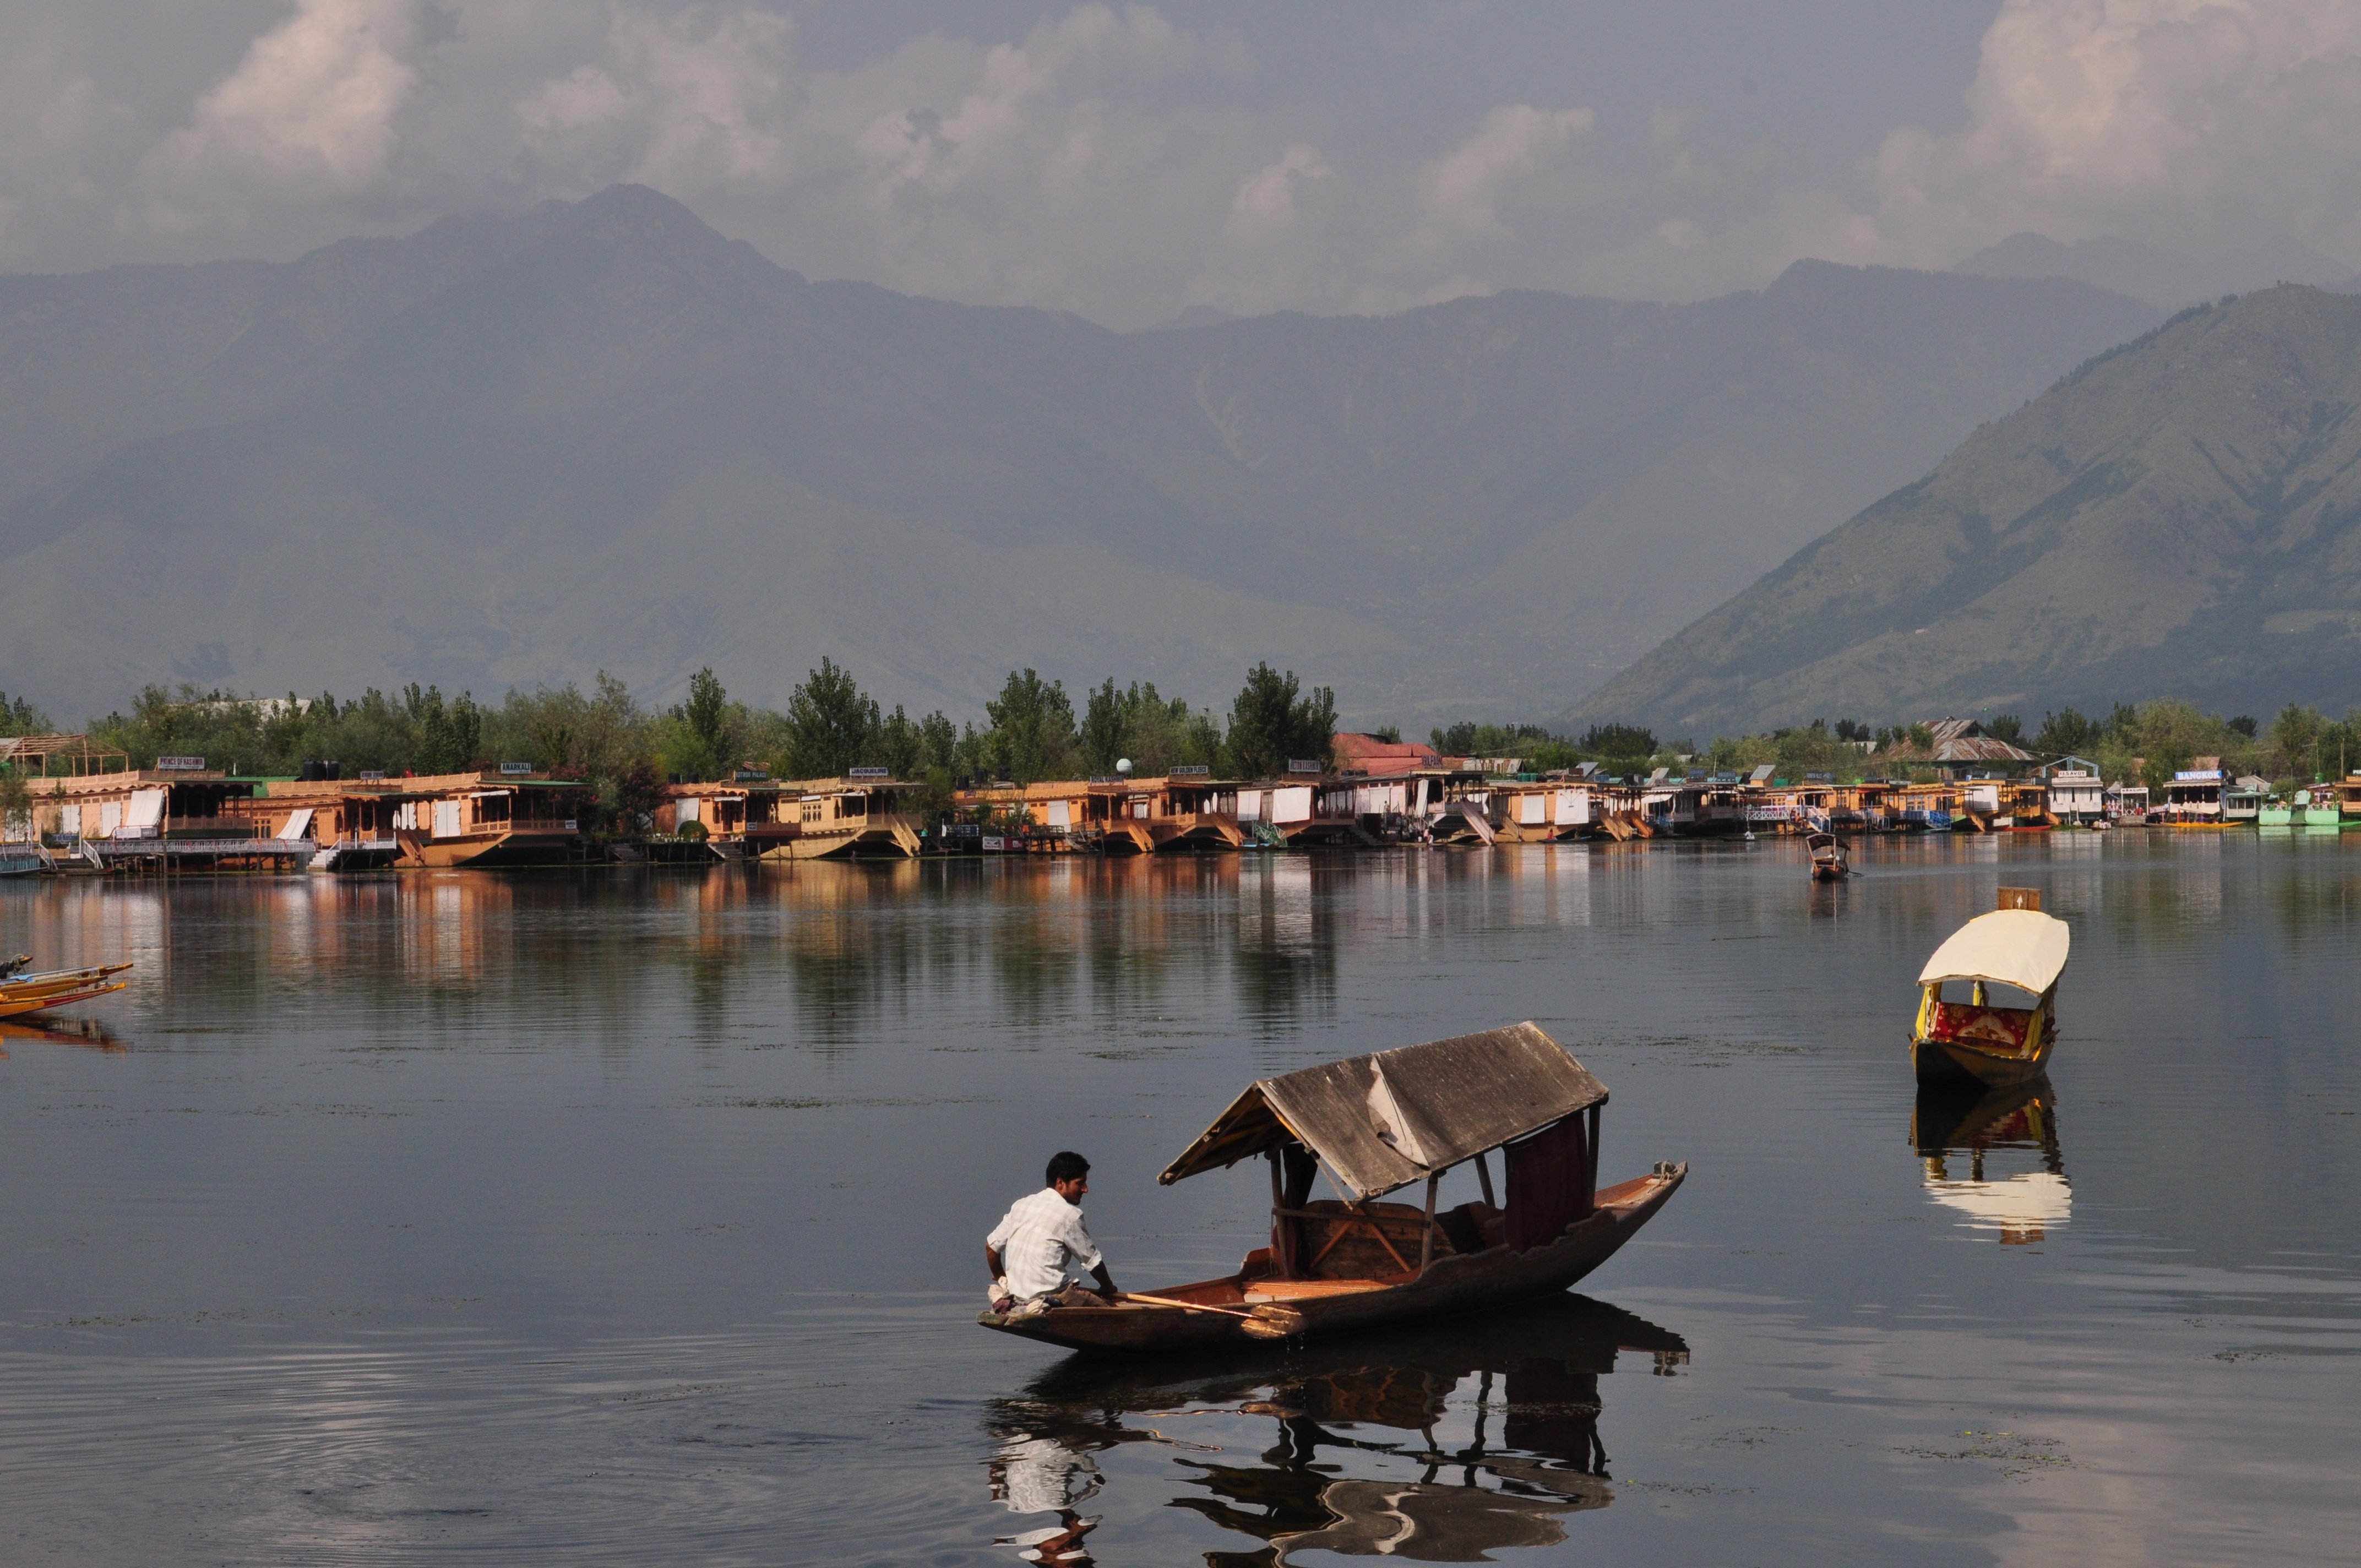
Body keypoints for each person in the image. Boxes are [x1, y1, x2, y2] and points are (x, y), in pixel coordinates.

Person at [986, 1151, 1119, 1316]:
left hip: (1017, 1296)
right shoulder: (1070, 1215)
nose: (1086, 1189)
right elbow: (1092, 1262)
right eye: (1080, 1183)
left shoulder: (1021, 1205)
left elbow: (991, 1248)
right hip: (1053, 1297)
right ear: (1060, 1183)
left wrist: (1001, 1278)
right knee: (1109, 1311)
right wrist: (1108, 1288)